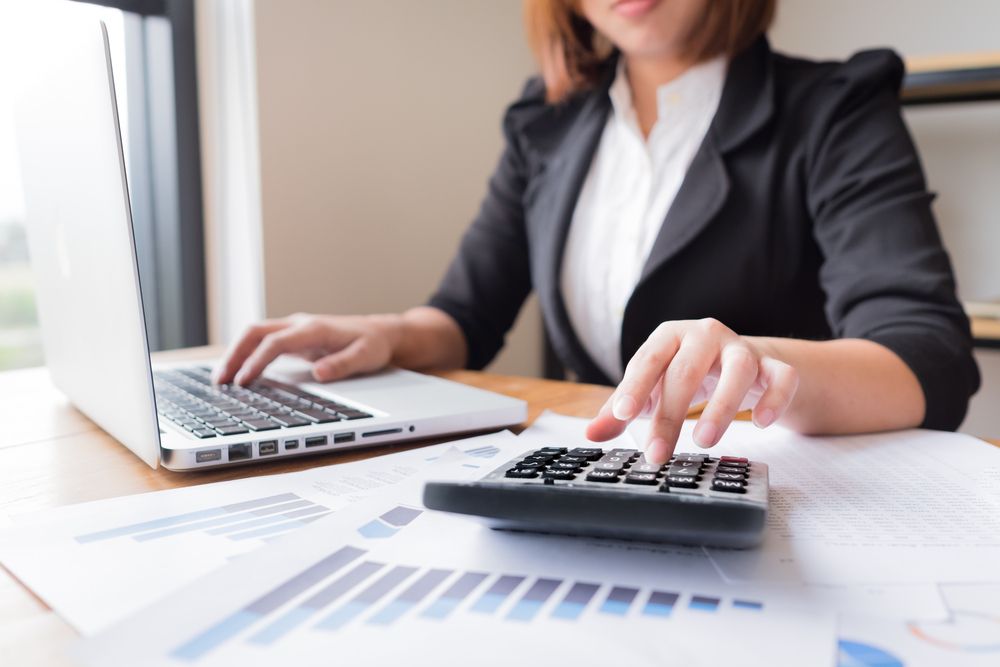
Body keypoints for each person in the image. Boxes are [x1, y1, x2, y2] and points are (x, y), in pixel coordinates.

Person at [215, 0, 979, 465]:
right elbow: (465, 317)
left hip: (777, 486)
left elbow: (926, 354)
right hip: (598, 472)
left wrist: (759, 362)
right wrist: (383, 332)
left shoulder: (836, 108)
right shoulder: (546, 125)